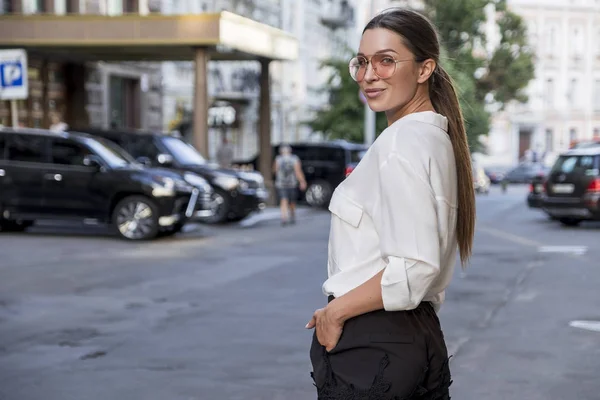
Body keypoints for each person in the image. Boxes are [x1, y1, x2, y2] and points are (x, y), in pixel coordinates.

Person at [306, 8, 476, 399]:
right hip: (411, 334)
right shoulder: (432, 138)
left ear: (424, 69)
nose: (369, 75)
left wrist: (337, 311)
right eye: (362, 62)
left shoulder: (401, 143)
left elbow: (414, 266)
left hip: (376, 340)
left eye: (386, 60)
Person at [273, 144, 306, 225]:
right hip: (288, 183)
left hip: (286, 183)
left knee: (288, 201)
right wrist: (302, 181)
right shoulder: (292, 159)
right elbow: (298, 171)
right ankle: (285, 217)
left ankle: (289, 215)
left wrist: (302, 181)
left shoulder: (280, 159)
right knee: (285, 200)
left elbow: (275, 170)